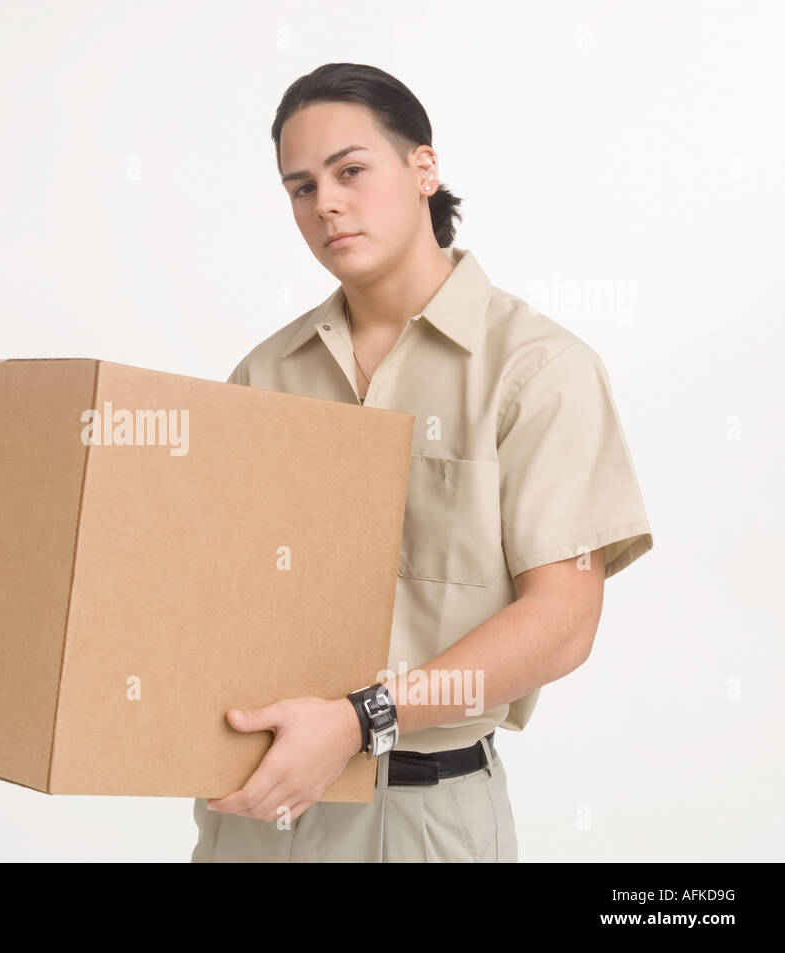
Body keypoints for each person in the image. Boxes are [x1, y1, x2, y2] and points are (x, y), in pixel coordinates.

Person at [190, 63, 654, 863]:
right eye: (300, 187)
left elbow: (562, 625)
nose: (326, 202)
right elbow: (213, 591)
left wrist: (358, 718)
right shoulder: (265, 375)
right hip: (258, 811)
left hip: (424, 820)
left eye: (351, 171)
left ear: (423, 170)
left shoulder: (537, 371)